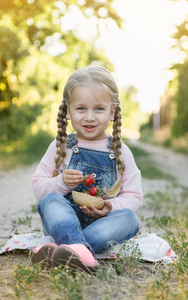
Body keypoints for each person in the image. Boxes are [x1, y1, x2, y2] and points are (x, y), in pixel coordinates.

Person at [30, 65, 143, 273]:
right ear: (68, 111)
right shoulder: (62, 147)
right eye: (81, 108)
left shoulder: (120, 152)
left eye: (98, 109)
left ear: (112, 112)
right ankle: (79, 249)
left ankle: (66, 249)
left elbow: (134, 195)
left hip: (102, 226)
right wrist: (61, 182)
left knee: (130, 218)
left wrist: (111, 207)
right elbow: (39, 186)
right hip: (62, 223)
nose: (89, 117)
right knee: (49, 201)